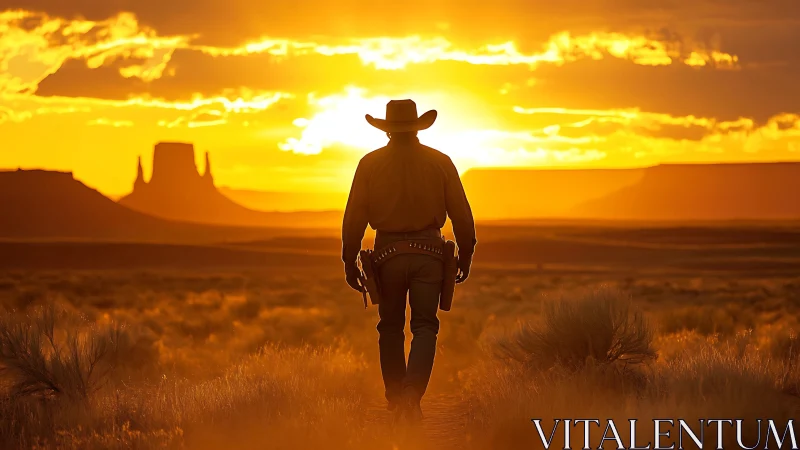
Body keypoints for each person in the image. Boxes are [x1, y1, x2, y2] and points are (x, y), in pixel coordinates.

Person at [341, 99, 477, 422]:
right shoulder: (440, 162)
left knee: (389, 327)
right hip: (430, 256)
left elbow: (355, 216)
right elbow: (461, 213)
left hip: (386, 257)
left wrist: (349, 260)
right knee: (425, 325)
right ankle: (411, 396)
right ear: (417, 127)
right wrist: (466, 255)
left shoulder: (369, 164)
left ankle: (395, 398)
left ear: (386, 129)